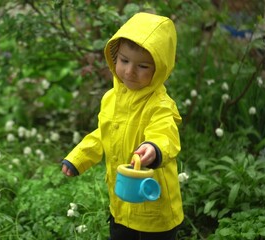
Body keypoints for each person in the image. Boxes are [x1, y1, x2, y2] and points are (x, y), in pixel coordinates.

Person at [61, 12, 183, 240]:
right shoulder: (111, 98)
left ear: (160, 68)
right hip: (120, 202)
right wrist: (79, 158)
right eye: (124, 61)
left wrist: (154, 147)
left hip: (153, 207)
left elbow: (165, 133)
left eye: (143, 66)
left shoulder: (160, 105)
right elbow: (102, 134)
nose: (129, 71)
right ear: (114, 57)